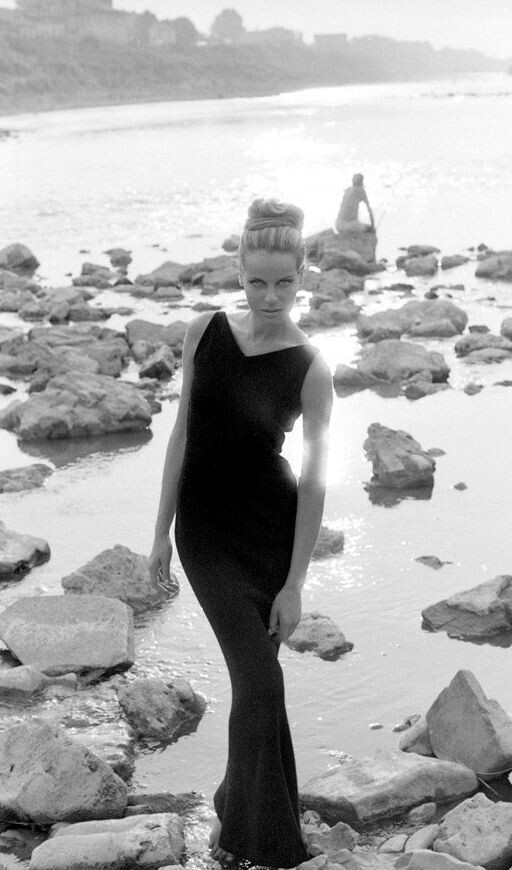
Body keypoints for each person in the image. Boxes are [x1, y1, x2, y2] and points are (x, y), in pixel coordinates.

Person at [148, 197, 333, 869]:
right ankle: (260, 842)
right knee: (260, 684)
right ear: (240, 273)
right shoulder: (204, 332)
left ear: (303, 275)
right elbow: (182, 434)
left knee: (260, 685)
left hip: (271, 535)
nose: (271, 296)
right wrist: (160, 534)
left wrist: (295, 582)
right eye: (257, 282)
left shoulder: (311, 367)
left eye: (284, 282)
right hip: (206, 535)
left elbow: (314, 482)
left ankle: (239, 802)